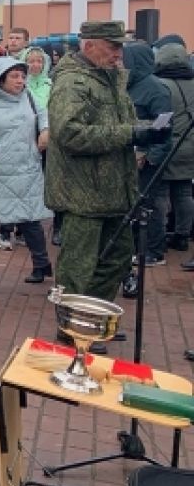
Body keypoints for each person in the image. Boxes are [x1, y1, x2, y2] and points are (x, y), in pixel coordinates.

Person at [46, 22, 168, 329]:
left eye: (120, 46)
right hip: (83, 193)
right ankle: (71, 333)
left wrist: (146, 130)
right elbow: (69, 134)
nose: (118, 53)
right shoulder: (72, 82)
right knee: (77, 269)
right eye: (112, 46)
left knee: (117, 259)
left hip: (114, 190)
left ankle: (90, 322)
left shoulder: (111, 78)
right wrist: (131, 133)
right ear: (89, 46)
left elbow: (116, 123)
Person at [0, 57, 52, 282]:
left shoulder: (28, 97)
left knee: (30, 219)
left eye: (22, 76)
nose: (20, 81)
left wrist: (45, 130)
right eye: (14, 76)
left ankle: (42, 264)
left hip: (26, 167)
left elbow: (43, 113)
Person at [123, 41, 173, 266]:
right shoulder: (128, 85)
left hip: (148, 161)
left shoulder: (156, 88)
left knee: (149, 206)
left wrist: (150, 156)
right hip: (130, 158)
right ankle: (136, 247)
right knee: (135, 205)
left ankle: (154, 250)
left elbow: (165, 127)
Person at [151, 42, 194, 260]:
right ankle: (183, 236)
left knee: (160, 194)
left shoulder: (160, 85)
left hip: (169, 147)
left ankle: (158, 240)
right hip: (190, 147)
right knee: (184, 193)